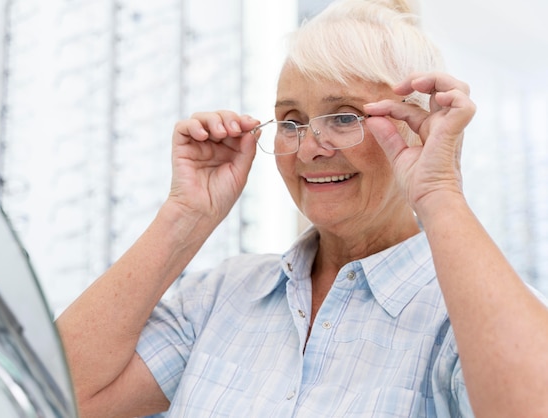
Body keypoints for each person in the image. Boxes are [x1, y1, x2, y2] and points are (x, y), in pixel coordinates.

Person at [56, 0, 548, 416]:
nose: (309, 147)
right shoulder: (220, 296)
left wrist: (439, 190)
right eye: (291, 120)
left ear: (416, 127)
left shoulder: (464, 316)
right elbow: (57, 396)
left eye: (342, 116)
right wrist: (186, 215)